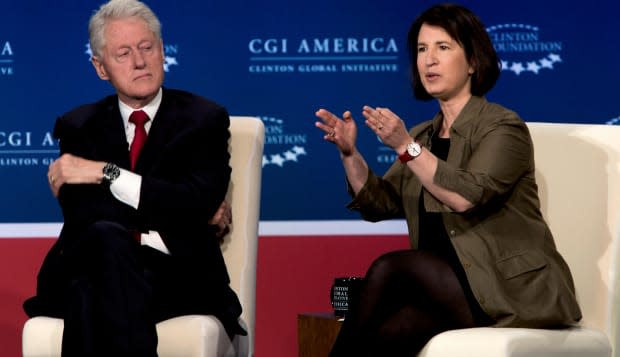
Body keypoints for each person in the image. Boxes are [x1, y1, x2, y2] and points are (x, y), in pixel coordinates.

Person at [315, 3, 581, 356]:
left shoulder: (502, 128)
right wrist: (350, 154)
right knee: (390, 335)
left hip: (503, 290)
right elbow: (380, 203)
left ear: (472, 61)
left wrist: (404, 146)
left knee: (390, 268)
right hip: (444, 291)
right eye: (422, 50)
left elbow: (465, 196)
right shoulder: (424, 135)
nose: (429, 60)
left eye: (443, 47)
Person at [23, 0, 245, 356]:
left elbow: (197, 200)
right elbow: (86, 216)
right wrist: (182, 208)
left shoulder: (204, 119)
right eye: (123, 53)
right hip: (97, 262)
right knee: (104, 240)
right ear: (101, 67)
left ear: (161, 51)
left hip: (176, 275)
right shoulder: (78, 127)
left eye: (146, 48)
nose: (139, 62)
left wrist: (106, 173)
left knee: (90, 288)